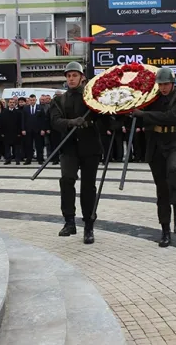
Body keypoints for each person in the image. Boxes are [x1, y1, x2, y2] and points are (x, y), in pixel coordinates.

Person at [132, 68, 176, 248]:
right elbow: (138, 109)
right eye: (161, 84)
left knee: (173, 170)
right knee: (162, 190)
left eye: (166, 84)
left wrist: (145, 115)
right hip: (156, 145)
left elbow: (171, 117)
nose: (163, 88)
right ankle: (165, 230)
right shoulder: (152, 99)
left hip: (174, 142)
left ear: (172, 84)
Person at [50, 61, 105, 245]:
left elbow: (104, 115)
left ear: (82, 77)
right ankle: (69, 221)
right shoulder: (59, 100)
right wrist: (72, 122)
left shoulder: (92, 97)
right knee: (66, 180)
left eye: (74, 75)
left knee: (88, 187)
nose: (71, 79)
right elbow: (55, 121)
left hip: (90, 147)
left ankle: (89, 225)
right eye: (68, 76)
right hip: (69, 147)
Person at [22, 94, 45, 165]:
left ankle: (40, 159)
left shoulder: (40, 108)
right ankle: (28, 159)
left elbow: (43, 120)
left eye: (33, 100)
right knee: (28, 145)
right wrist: (23, 129)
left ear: (36, 100)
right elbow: (23, 119)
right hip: (28, 130)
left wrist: (43, 129)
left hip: (38, 130)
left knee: (39, 145)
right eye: (31, 100)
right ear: (29, 100)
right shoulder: (25, 108)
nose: (32, 101)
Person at [0, 98, 22, 165]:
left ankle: (17, 160)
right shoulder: (4, 112)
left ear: (15, 104)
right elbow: (1, 122)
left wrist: (19, 133)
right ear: (8, 103)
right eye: (10, 102)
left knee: (17, 147)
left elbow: (20, 123)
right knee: (7, 147)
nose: (12, 103)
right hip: (6, 133)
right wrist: (2, 132)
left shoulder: (18, 112)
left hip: (16, 133)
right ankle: (8, 160)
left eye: (13, 102)